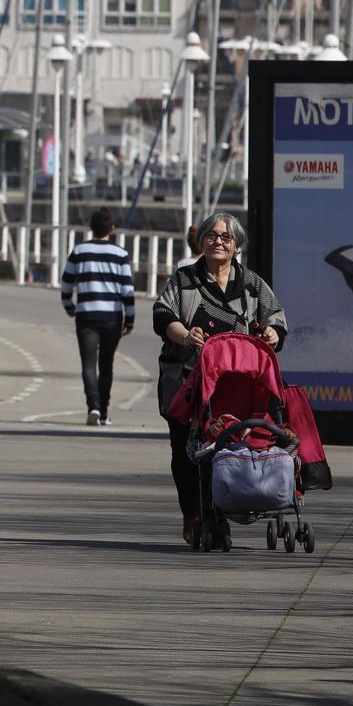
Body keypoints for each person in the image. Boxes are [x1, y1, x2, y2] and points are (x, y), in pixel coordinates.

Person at [151, 209, 288, 546]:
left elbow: (278, 319)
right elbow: (162, 312)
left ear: (236, 245)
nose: (218, 242)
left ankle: (228, 505)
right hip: (186, 379)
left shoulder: (253, 284)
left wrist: (272, 332)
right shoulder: (184, 280)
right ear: (201, 242)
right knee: (186, 449)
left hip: (235, 385)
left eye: (226, 237)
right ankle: (194, 513)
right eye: (211, 235)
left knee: (233, 443)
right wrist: (183, 335)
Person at [60, 207, 136, 426]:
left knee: (88, 363)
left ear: (91, 227)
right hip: (112, 316)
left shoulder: (79, 250)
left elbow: (67, 282)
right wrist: (129, 319)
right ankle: (103, 411)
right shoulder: (120, 254)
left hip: (86, 315)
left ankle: (92, 406)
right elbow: (127, 290)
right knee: (107, 364)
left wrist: (68, 304)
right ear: (112, 228)